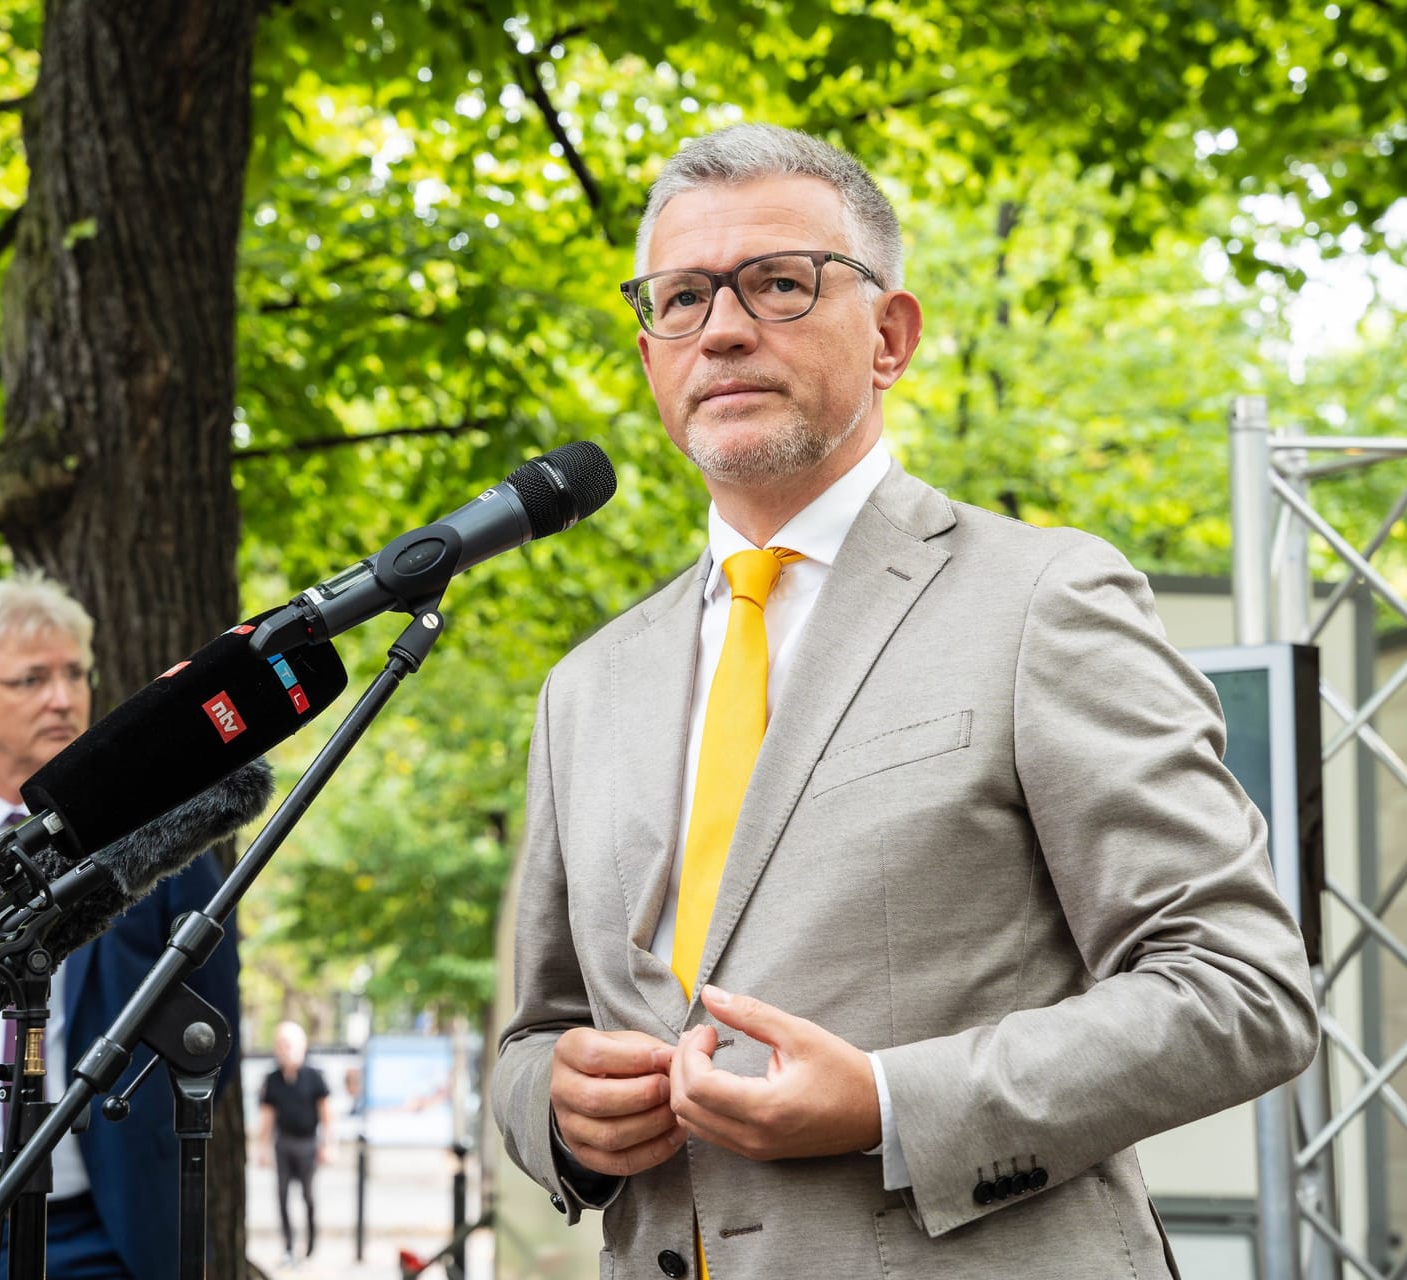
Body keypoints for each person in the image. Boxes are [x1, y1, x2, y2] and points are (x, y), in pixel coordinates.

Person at [491, 123, 1319, 1278]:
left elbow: (1242, 988)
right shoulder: (586, 686)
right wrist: (558, 1112)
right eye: (682, 298)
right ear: (650, 356)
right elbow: (537, 1032)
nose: (722, 327)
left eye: (778, 283)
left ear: (890, 335)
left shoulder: (1044, 598)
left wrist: (889, 1100)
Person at [0, 571, 240, 1280]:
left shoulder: (159, 833)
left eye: (73, 674)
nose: (62, 698)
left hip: (109, 1232)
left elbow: (210, 1026)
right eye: (31, 680)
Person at [254, 1020, 330, 1266]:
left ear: (301, 1045)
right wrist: (261, 1148)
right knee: (282, 1196)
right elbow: (266, 1116)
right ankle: (288, 1245)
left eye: (288, 1044)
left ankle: (310, 1244)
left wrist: (328, 1144)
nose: (283, 1049)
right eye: (279, 1044)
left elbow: (327, 1113)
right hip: (283, 1143)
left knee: (308, 1197)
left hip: (308, 1143)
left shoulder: (315, 1076)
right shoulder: (273, 1079)